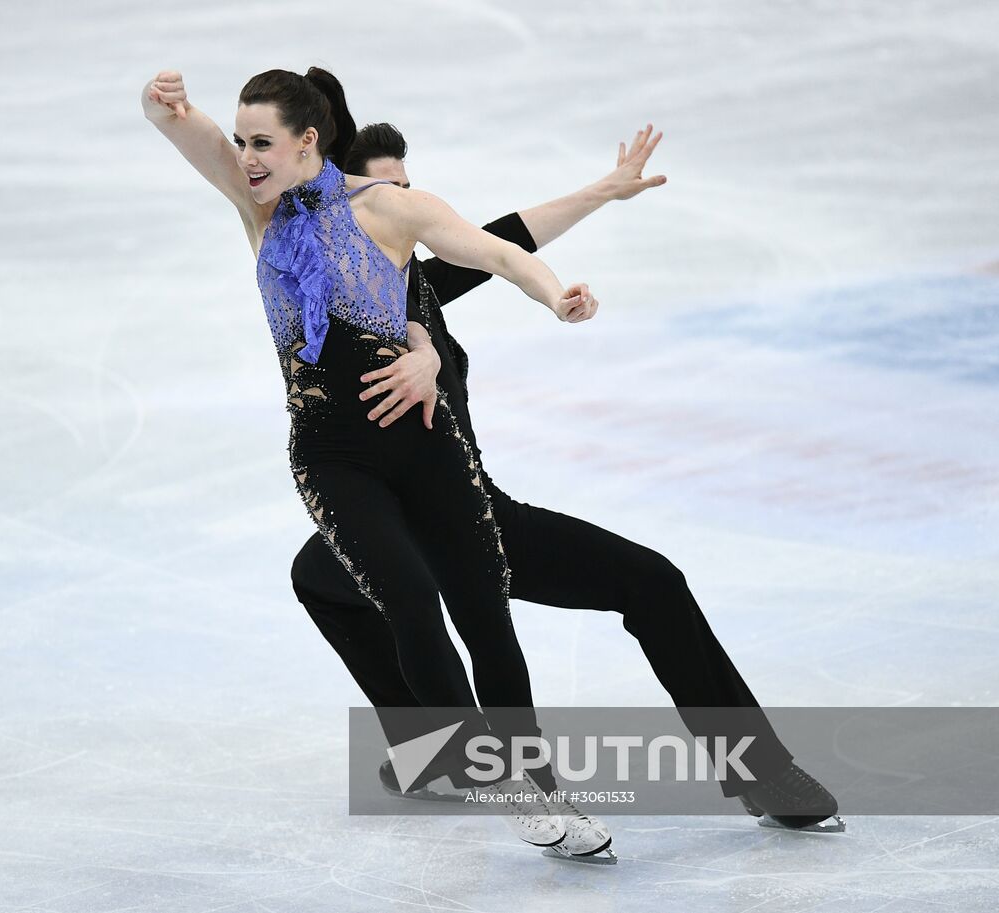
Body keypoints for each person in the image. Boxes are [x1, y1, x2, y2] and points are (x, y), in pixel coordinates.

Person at [294, 120, 845, 834]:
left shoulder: (420, 283)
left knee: (652, 581)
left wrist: (601, 193)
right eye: (386, 191)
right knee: (326, 576)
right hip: (404, 525)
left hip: (473, 514)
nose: (404, 202)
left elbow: (506, 238)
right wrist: (417, 356)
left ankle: (758, 768)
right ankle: (440, 747)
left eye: (409, 187)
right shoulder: (331, 314)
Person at [142, 66, 617, 863]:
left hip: (423, 440)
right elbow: (179, 132)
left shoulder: (388, 207)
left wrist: (553, 295)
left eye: (262, 142)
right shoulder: (254, 205)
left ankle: (539, 781)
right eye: (241, 141)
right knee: (407, 595)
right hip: (331, 452)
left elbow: (496, 251)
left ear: (306, 142)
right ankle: (495, 779)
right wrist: (160, 107)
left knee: (484, 609)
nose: (248, 156)